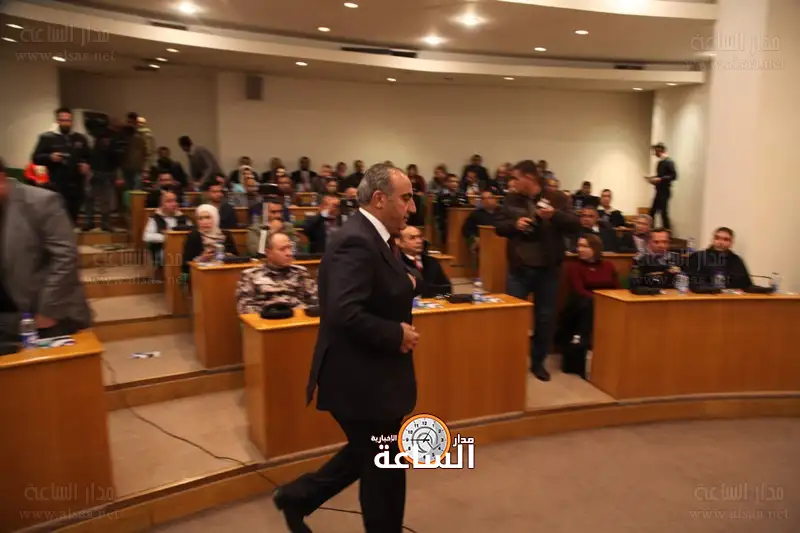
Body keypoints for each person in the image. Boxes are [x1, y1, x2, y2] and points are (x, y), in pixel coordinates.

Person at [274, 163, 420, 533]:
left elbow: (377, 286)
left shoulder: (376, 237)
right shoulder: (356, 240)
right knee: (384, 468)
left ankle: (297, 497)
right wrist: (395, 334)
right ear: (380, 199)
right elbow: (344, 311)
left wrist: (406, 284)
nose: (413, 207)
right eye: (406, 198)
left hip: (374, 376)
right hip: (358, 380)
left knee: (367, 453)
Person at [495, 159, 581, 381]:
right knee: (512, 318)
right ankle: (509, 362)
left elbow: (575, 224)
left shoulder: (557, 198)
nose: (513, 182)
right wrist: (515, 225)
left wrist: (554, 215)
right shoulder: (511, 199)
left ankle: (538, 362)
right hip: (519, 270)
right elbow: (499, 226)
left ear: (529, 178)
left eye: (516, 178)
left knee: (544, 319)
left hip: (548, 271)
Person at [0, 157, 91, 338]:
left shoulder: (40, 202)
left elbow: (66, 257)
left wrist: (48, 311)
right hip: (10, 310)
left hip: (48, 313)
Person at [31, 107, 91, 226]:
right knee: (58, 215)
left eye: (68, 120)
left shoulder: (80, 138)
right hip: (57, 183)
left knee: (73, 214)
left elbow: (89, 156)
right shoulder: (47, 138)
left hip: (76, 184)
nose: (65, 123)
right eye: (62, 120)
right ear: (57, 121)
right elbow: (36, 158)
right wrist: (50, 157)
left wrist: (86, 164)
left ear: (71, 121)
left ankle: (71, 234)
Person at [235, 232, 318, 314]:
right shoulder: (250, 275)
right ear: (268, 253)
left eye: (290, 248)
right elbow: (244, 308)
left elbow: (316, 301)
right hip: (266, 319)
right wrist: (273, 313)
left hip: (298, 319)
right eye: (282, 249)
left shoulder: (301, 272)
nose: (289, 253)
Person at [142, 189, 191, 275]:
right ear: (162, 205)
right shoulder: (155, 218)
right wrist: (168, 237)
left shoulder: (183, 217)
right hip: (162, 249)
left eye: (175, 201)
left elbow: (192, 232)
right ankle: (171, 278)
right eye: (169, 201)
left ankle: (185, 277)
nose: (174, 204)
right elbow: (146, 236)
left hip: (183, 248)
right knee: (168, 256)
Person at [687, 227, 753, 290]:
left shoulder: (737, 260)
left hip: (732, 297)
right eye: (717, 238)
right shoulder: (697, 256)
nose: (720, 242)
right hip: (704, 296)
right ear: (712, 240)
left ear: (731, 243)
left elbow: (747, 285)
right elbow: (691, 282)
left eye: (725, 239)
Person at [181, 204, 238, 275]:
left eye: (208, 217)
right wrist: (201, 258)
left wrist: (227, 255)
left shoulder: (225, 234)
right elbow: (185, 265)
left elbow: (236, 257)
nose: (204, 222)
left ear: (215, 218)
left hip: (225, 272)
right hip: (201, 274)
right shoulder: (193, 236)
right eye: (200, 218)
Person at [398, 225, 452, 298]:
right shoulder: (397, 263)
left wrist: (420, 287)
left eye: (420, 237)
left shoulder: (432, 262)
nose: (419, 241)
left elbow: (447, 289)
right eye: (412, 238)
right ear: (400, 243)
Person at [647, 142, 677, 230]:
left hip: (664, 191)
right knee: (653, 212)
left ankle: (667, 232)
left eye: (655, 151)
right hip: (659, 190)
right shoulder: (660, 162)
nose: (655, 153)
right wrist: (652, 179)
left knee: (663, 213)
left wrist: (660, 179)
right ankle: (652, 231)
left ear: (660, 150)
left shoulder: (669, 161)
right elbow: (660, 176)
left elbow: (674, 175)